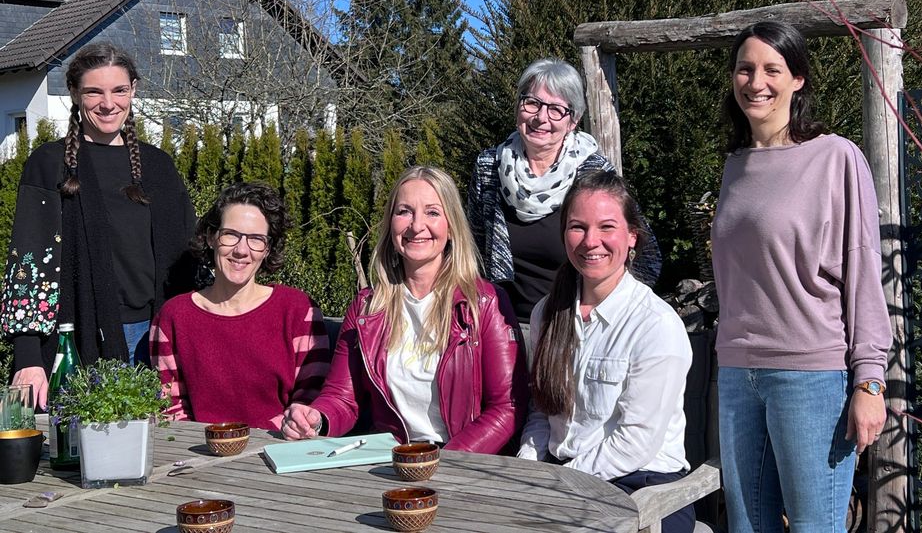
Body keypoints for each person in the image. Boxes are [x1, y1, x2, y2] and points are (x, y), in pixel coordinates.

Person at [711, 20, 892, 532]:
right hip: (737, 373)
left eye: (773, 69)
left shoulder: (836, 158)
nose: (756, 81)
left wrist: (870, 382)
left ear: (798, 80)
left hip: (809, 376)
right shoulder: (734, 165)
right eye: (745, 69)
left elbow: (861, 272)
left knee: (815, 526)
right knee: (747, 526)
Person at [1, 43, 196, 409]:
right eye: (94, 91)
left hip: (155, 337)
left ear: (134, 90)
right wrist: (28, 356)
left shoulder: (158, 167)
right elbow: (28, 264)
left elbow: (189, 259)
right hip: (74, 339)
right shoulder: (49, 164)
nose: (108, 103)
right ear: (74, 93)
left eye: (119, 90)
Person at [282, 166, 528, 453]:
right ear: (390, 224)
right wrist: (317, 418)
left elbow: (507, 407)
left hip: (463, 465)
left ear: (452, 227)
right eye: (405, 211)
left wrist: (447, 461)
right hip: (388, 461)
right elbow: (342, 398)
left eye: (432, 212)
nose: (416, 225)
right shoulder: (366, 307)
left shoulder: (485, 302)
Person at [518, 170, 694, 533]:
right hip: (563, 479)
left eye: (607, 227)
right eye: (578, 227)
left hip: (643, 488)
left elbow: (636, 441)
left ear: (632, 237)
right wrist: (528, 470)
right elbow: (541, 411)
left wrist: (558, 484)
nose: (590, 241)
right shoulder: (546, 314)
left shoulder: (655, 325)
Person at [467, 57, 663, 322]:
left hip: (573, 325)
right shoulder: (488, 167)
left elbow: (645, 253)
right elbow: (473, 251)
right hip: (504, 326)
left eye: (556, 109)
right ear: (518, 108)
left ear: (573, 121)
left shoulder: (593, 172)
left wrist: (612, 314)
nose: (540, 117)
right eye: (532, 103)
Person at [150, 182, 330, 431]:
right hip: (200, 455)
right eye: (231, 235)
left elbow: (311, 399)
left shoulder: (298, 310)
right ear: (212, 237)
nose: (242, 250)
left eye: (256, 239)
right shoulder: (174, 317)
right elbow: (169, 407)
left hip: (279, 450)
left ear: (267, 249)